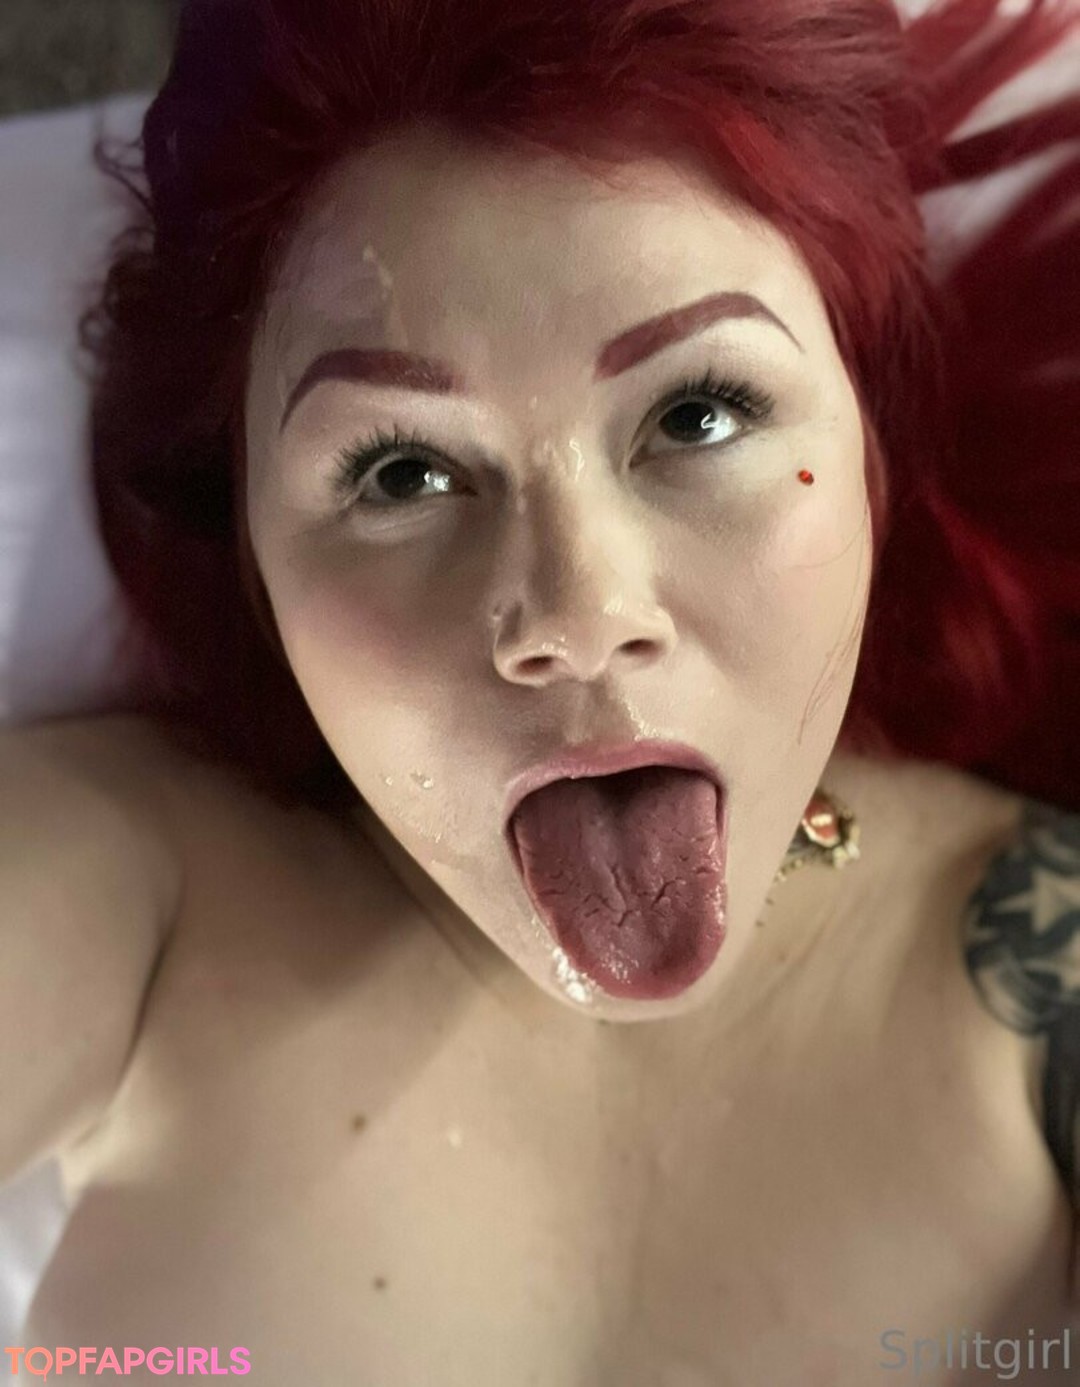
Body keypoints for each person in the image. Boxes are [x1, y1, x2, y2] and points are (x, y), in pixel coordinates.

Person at [3, 0, 1080, 1381]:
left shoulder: (1042, 965)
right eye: (402, 472)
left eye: (698, 415)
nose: (577, 616)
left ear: (871, 461)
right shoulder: (130, 894)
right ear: (253, 559)